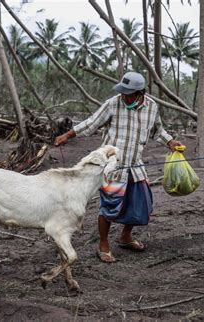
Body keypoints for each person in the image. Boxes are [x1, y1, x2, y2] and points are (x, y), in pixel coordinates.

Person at [54, 71, 181, 263]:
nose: (125, 96)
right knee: (110, 206)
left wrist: (170, 142)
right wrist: (67, 135)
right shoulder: (113, 103)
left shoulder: (152, 107)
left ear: (140, 93)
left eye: (129, 93)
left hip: (135, 165)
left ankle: (125, 236)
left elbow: (158, 130)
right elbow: (92, 122)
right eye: (123, 92)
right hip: (112, 166)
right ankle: (103, 244)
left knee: (142, 204)